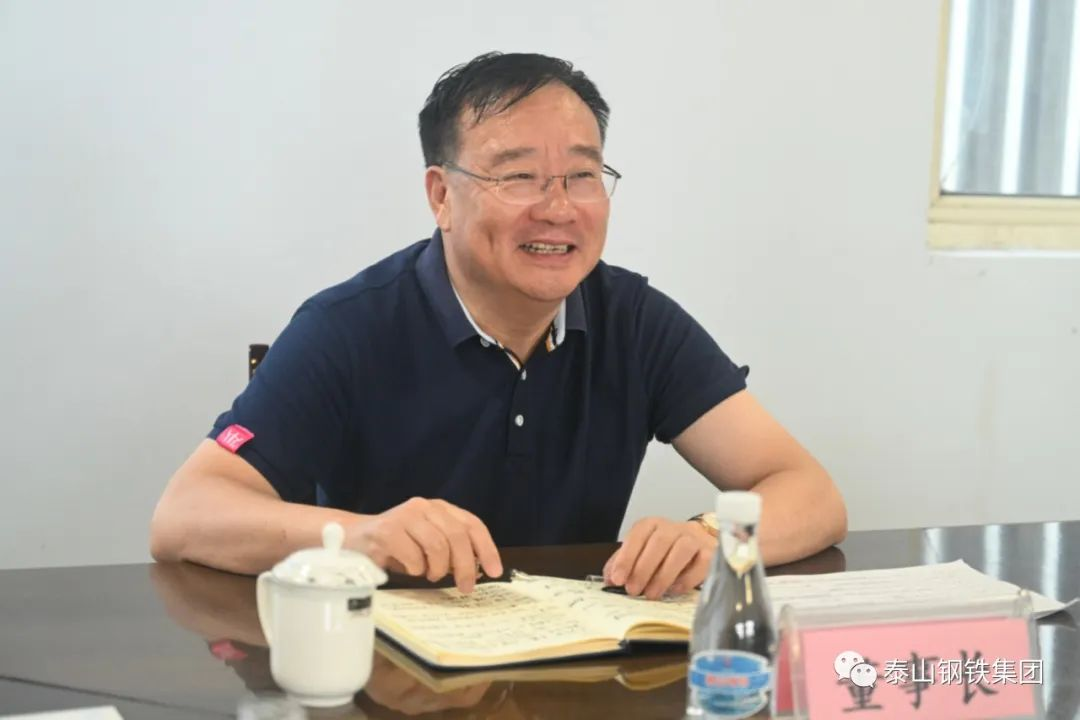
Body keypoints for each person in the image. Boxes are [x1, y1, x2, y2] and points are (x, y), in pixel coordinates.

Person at [150, 52, 846, 600]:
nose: (558, 208)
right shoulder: (348, 327)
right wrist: (361, 537)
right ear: (441, 196)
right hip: (389, 680)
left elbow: (808, 491)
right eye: (518, 178)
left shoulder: (634, 320)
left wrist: (713, 537)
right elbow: (185, 514)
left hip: (573, 676)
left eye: (582, 176)